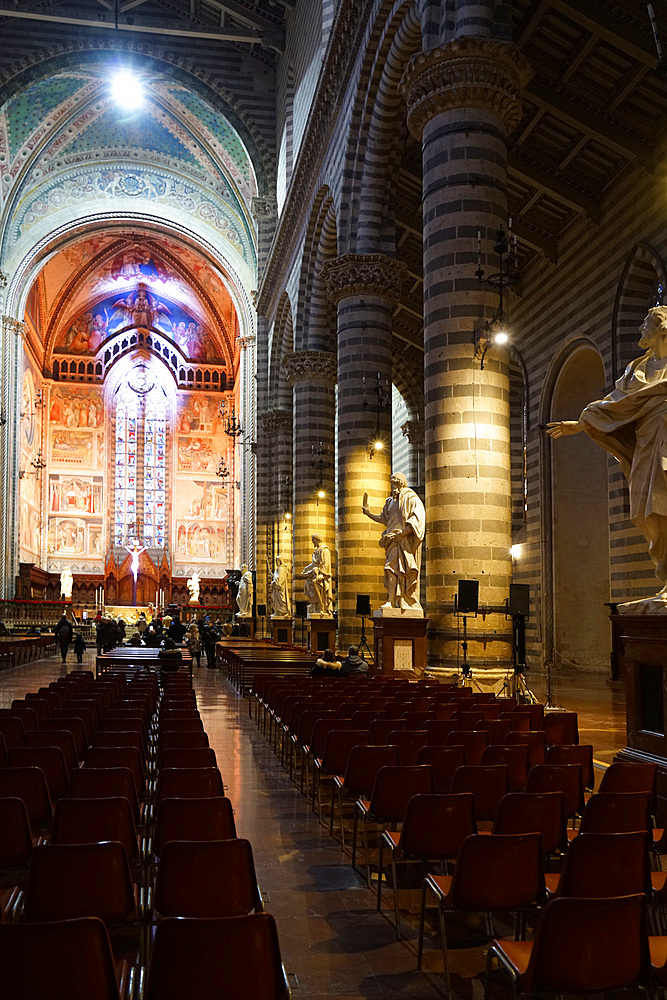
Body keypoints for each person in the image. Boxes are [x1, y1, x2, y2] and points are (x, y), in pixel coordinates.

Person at [547, 306, 667, 603]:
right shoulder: (636, 371)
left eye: (646, 324)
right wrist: (581, 423)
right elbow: (614, 403)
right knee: (646, 513)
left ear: (662, 329)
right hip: (646, 447)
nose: (641, 329)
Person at [362, 472, 426, 611]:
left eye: (395, 482)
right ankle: (391, 600)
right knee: (390, 569)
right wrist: (368, 513)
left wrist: (403, 533)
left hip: (403, 540)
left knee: (401, 570)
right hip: (391, 540)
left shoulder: (410, 497)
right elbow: (383, 519)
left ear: (401, 483)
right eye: (392, 483)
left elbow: (418, 518)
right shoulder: (389, 502)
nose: (393, 486)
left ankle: (403, 600)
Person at [300, 534, 333, 616]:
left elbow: (326, 564)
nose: (312, 542)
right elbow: (314, 564)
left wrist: (322, 574)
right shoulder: (316, 551)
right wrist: (306, 569)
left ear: (316, 539)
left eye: (313, 540)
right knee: (308, 585)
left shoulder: (325, 550)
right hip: (314, 574)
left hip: (321, 576)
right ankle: (315, 606)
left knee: (321, 592)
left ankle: (322, 608)